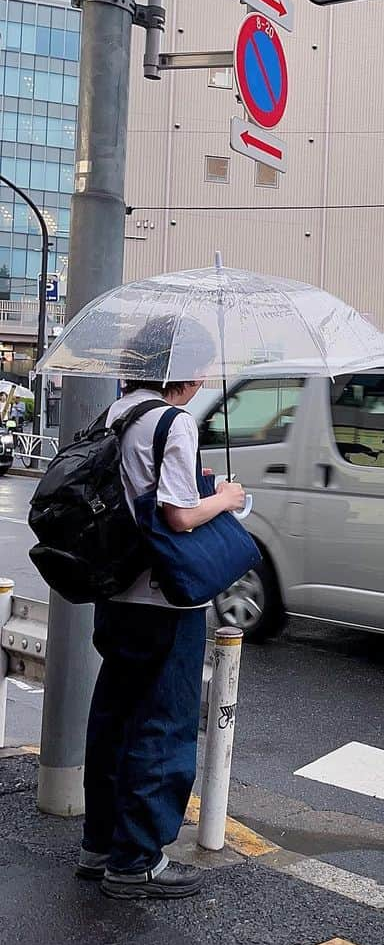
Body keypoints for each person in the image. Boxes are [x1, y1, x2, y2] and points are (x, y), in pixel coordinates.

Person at [76, 322, 246, 900]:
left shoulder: (116, 414)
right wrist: (225, 497)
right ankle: (137, 861)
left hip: (115, 593)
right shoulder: (174, 422)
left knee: (114, 718)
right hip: (163, 598)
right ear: (189, 372)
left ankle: (99, 845)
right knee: (162, 725)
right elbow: (178, 516)